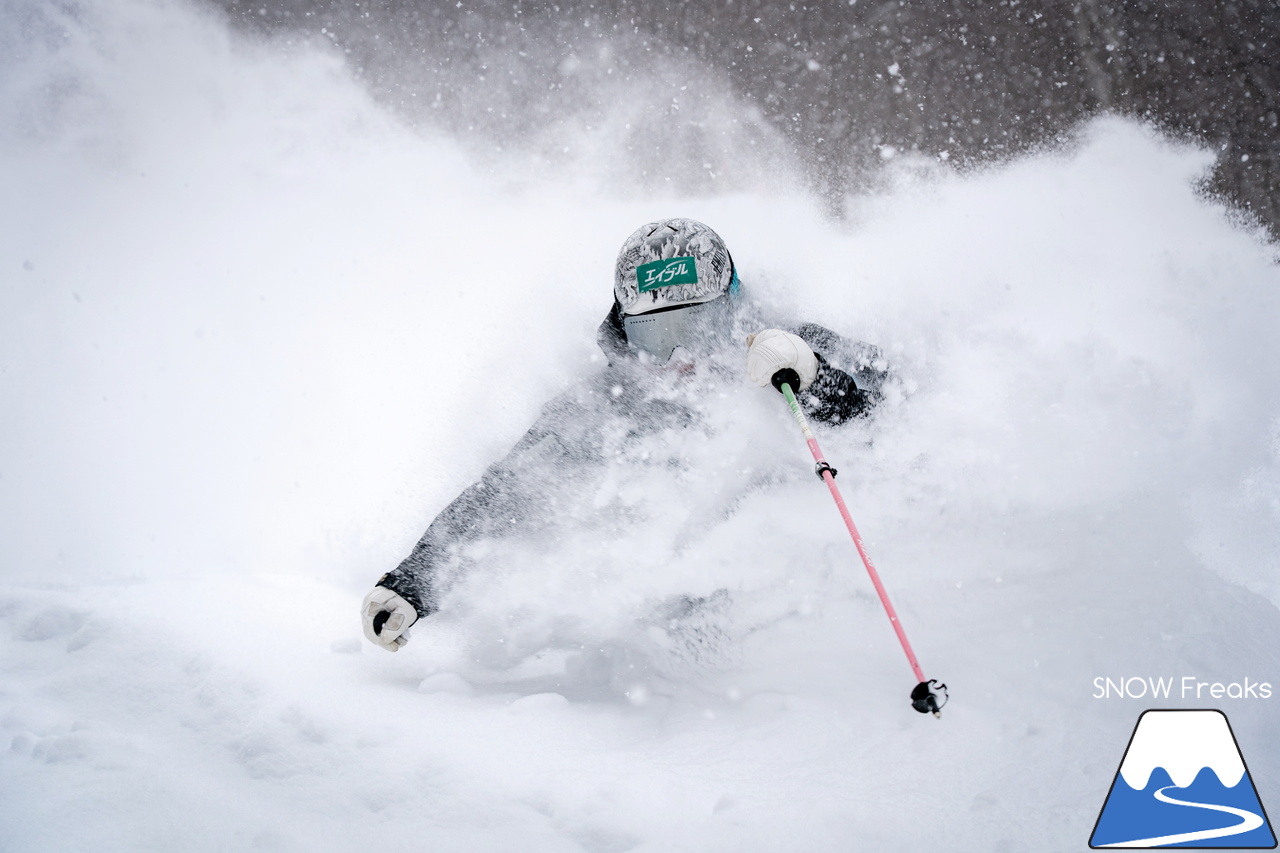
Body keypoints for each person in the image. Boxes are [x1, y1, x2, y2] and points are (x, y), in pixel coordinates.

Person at [361, 218, 889, 652]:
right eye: (655, 336)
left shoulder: (797, 353)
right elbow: (506, 494)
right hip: (676, 655)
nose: (680, 358)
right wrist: (413, 583)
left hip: (813, 622)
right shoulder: (603, 408)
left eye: (696, 330)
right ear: (622, 327)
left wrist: (821, 384)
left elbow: (901, 425)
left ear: (733, 309)